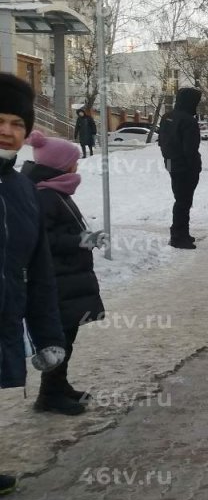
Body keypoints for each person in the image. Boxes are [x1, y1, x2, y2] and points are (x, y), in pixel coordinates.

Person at [0, 74, 66, 500]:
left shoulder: (20, 188)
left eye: (16, 123)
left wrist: (48, 335)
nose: (6, 130)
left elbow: (39, 268)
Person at [21, 131, 107, 416]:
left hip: (66, 278)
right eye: (73, 162)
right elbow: (42, 241)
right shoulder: (46, 196)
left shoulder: (56, 191)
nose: (77, 167)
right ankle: (48, 395)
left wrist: (84, 237)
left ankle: (58, 386)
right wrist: (81, 240)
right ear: (60, 166)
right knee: (58, 339)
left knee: (66, 337)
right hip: (56, 281)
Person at [157, 87, 202, 250]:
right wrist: (195, 167)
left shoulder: (167, 117)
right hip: (185, 167)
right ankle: (178, 236)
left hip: (170, 163)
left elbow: (161, 142)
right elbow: (190, 149)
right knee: (184, 201)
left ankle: (182, 232)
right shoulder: (188, 121)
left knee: (180, 199)